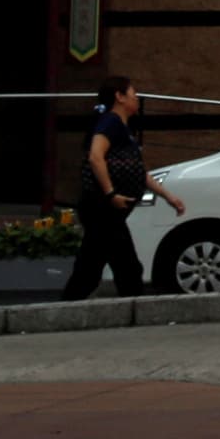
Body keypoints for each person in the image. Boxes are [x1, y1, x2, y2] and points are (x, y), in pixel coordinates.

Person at [62, 74, 185, 301]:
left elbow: (139, 172)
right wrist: (111, 194)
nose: (137, 99)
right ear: (119, 97)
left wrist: (168, 196)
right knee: (124, 267)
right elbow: (95, 157)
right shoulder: (110, 123)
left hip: (109, 209)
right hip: (102, 208)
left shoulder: (124, 128)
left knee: (94, 266)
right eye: (133, 94)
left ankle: (68, 307)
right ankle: (133, 311)